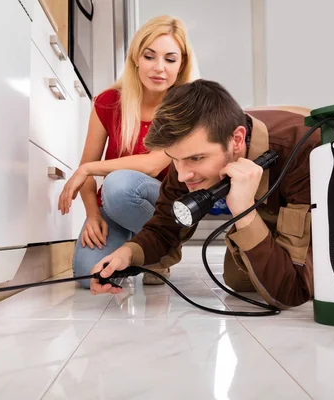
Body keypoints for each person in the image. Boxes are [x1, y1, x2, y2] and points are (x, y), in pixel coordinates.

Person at [89, 79, 319, 309]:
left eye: (196, 159)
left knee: (278, 276)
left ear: (237, 140)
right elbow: (164, 228)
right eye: (175, 159)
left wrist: (244, 212)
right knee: (237, 276)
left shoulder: (304, 154)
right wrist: (127, 254)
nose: (181, 176)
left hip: (322, 215)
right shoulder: (188, 157)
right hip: (271, 210)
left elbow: (290, 294)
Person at [57, 16, 197, 288]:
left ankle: (159, 251)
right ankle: (138, 248)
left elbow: (153, 164)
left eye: (170, 59)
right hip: (115, 204)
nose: (159, 68)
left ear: (181, 66)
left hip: (168, 207)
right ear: (136, 58)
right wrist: (93, 215)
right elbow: (88, 165)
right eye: (149, 56)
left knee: (119, 183)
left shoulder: (185, 105)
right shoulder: (108, 102)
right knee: (90, 275)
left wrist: (86, 169)